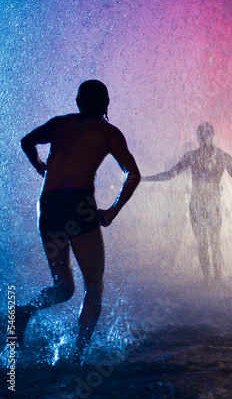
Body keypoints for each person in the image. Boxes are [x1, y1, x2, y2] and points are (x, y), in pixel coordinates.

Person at [17, 80, 140, 364]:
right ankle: (76, 358)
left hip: (48, 205)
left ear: (78, 101)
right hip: (78, 206)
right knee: (93, 288)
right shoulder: (109, 133)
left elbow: (27, 142)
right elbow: (133, 174)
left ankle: (21, 313)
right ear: (106, 104)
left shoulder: (59, 124)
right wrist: (112, 211)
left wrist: (39, 167)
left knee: (63, 288)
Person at [143, 123, 232, 285]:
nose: (203, 138)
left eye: (203, 135)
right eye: (203, 135)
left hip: (199, 205)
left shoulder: (197, 156)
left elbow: (169, 175)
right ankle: (214, 280)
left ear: (200, 137)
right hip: (208, 205)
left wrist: (144, 179)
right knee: (213, 243)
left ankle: (209, 280)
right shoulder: (220, 157)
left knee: (205, 244)